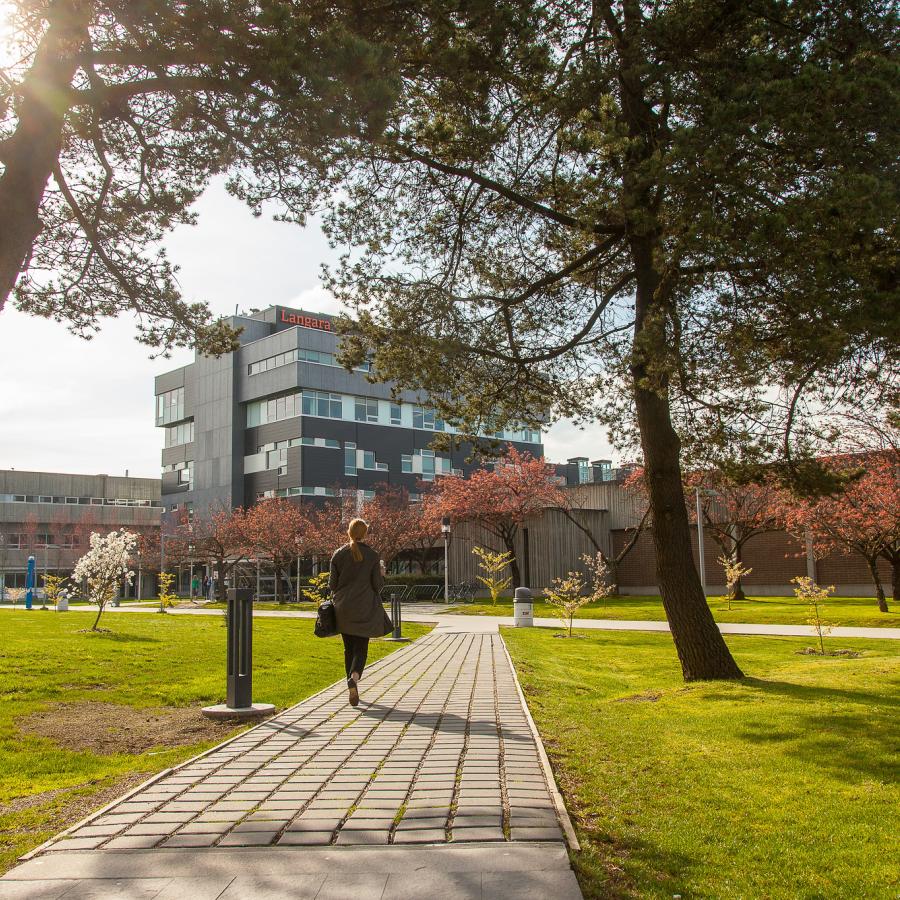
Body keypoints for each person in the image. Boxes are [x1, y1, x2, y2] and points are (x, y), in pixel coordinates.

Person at [329, 518, 391, 707]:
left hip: (343, 609)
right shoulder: (372, 555)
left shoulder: (338, 555)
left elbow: (332, 585)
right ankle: (354, 678)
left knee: (348, 648)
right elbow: (377, 586)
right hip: (364, 608)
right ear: (365, 534)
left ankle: (351, 684)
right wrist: (381, 574)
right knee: (361, 647)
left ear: (349, 532)